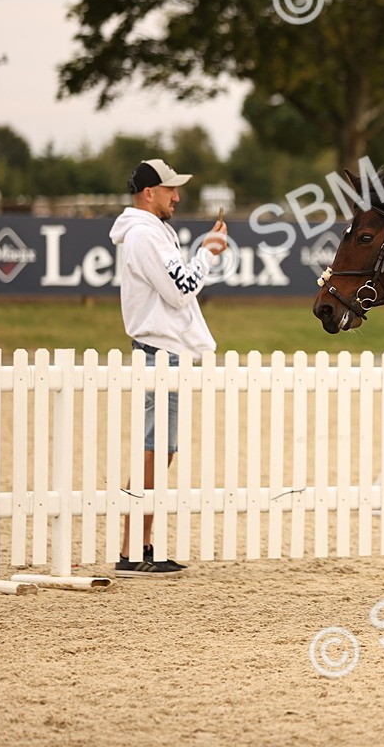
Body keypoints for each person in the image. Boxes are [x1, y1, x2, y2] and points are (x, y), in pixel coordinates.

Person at [108, 159, 228, 577]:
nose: (177, 197)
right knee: (155, 449)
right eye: (170, 190)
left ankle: (140, 547)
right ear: (149, 193)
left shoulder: (151, 233)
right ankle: (132, 551)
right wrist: (207, 254)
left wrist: (203, 252)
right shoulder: (144, 236)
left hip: (164, 351)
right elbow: (183, 289)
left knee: (161, 449)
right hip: (160, 352)